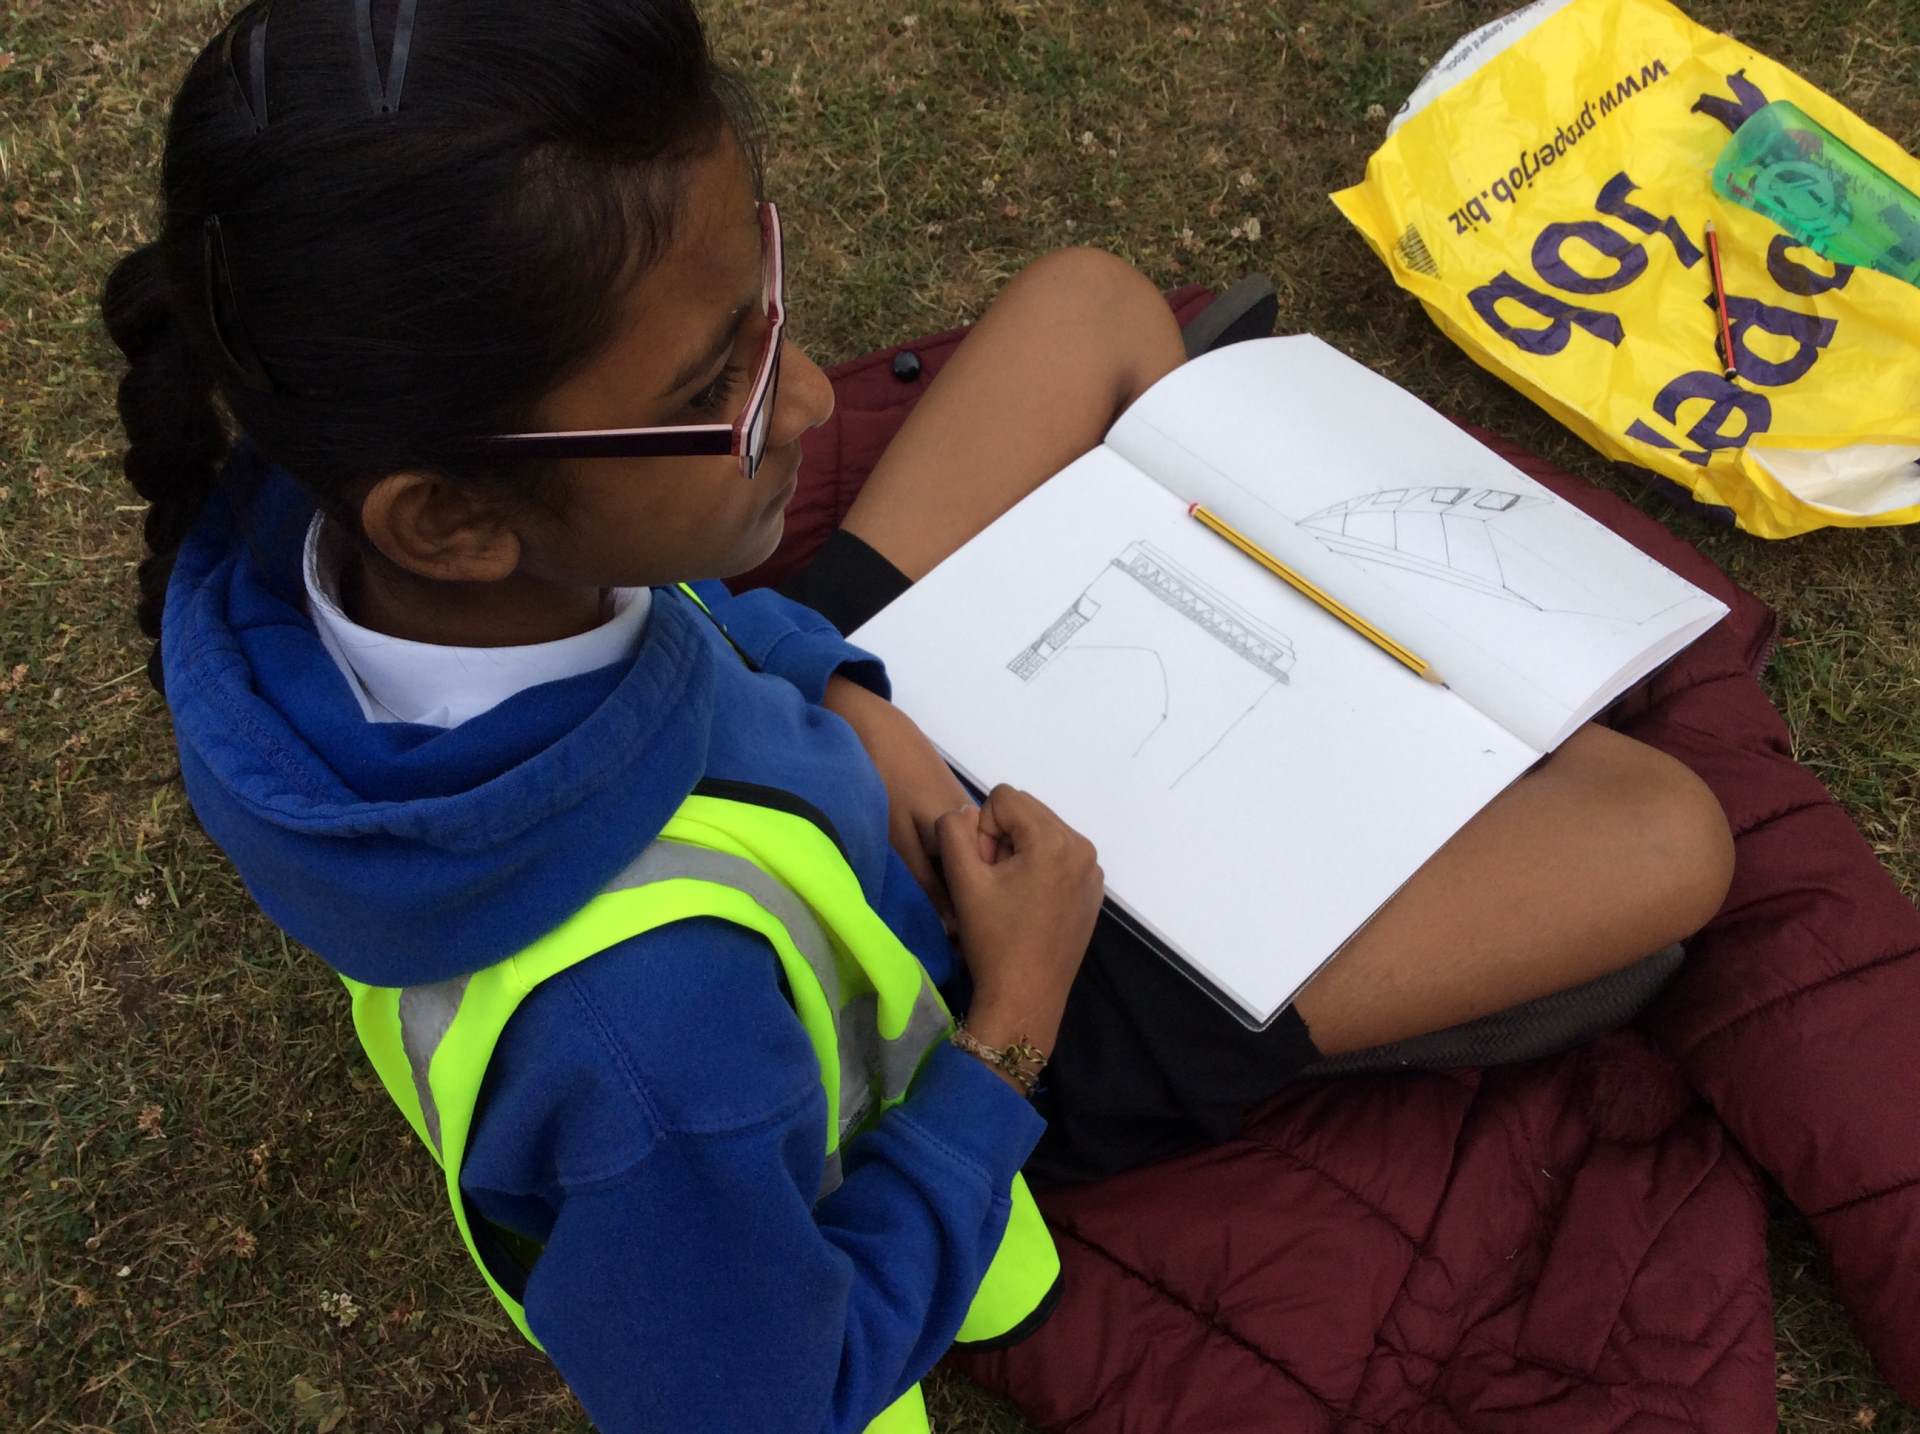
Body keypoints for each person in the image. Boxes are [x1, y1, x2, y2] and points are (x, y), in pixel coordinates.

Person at [101, 1, 1736, 1429]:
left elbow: (678, 618)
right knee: (1668, 837)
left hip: (845, 783)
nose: (811, 396)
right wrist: (1013, 1020)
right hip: (981, 1010)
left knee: (1091, 302)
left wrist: (837, 683)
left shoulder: (359, 550)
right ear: (454, 517)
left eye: (764, 299)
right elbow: (776, 1395)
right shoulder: (646, 1057)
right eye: (714, 387)